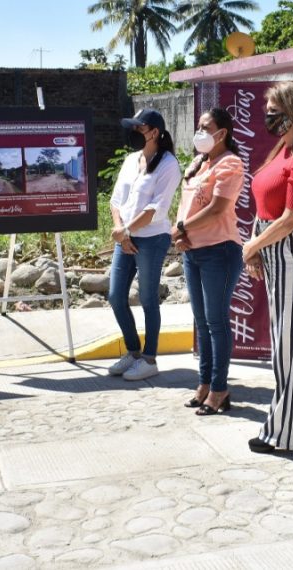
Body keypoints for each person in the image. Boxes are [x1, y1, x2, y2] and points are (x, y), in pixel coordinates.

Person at [242, 81, 293, 453]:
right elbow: (266, 206)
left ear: (291, 111)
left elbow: (292, 218)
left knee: (287, 344)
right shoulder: (284, 149)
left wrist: (252, 245)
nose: (267, 115)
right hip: (272, 245)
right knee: (291, 340)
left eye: (273, 109)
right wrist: (257, 246)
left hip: (289, 247)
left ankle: (284, 432)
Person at [173, 108, 246, 415]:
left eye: (206, 127)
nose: (200, 132)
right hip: (193, 251)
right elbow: (185, 204)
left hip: (220, 250)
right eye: (199, 126)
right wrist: (180, 234)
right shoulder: (199, 162)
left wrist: (183, 229)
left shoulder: (230, 163)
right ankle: (204, 384)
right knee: (202, 323)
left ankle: (219, 389)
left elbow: (217, 208)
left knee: (216, 322)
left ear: (222, 133)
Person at [107, 109, 180, 381]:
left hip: (152, 238)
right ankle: (133, 352)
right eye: (134, 128)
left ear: (154, 133)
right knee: (116, 296)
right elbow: (116, 200)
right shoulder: (130, 160)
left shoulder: (168, 164)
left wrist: (126, 230)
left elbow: (156, 210)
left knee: (148, 298)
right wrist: (121, 232)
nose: (134, 132)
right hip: (125, 237)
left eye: (140, 128)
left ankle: (149, 359)